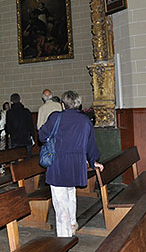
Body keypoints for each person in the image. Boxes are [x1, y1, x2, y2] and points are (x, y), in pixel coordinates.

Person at [39, 90, 104, 237]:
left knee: (60, 203)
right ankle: (73, 223)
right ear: (78, 104)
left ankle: (64, 237)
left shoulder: (56, 118)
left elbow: (42, 136)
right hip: (76, 165)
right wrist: (94, 162)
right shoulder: (85, 121)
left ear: (63, 104)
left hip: (58, 165)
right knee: (70, 194)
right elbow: (91, 145)